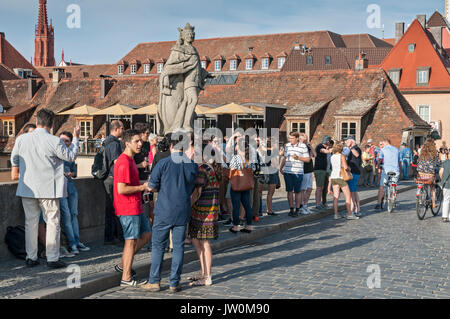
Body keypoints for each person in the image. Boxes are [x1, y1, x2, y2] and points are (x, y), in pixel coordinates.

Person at [11, 109, 80, 268]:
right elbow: (70, 156)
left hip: (27, 187)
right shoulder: (54, 140)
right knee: (53, 222)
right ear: (52, 123)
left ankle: (31, 257)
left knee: (30, 223)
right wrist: (75, 139)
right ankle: (52, 258)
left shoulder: (22, 139)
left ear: (37, 122)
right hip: (49, 188)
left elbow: (14, 160)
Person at [141, 133, 198, 293]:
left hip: (164, 209)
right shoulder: (191, 165)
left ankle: (154, 281)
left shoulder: (163, 163)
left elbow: (151, 186)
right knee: (179, 247)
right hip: (183, 209)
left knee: (158, 246)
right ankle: (174, 282)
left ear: (171, 146)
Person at [113, 129, 152, 286]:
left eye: (140, 141)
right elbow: (121, 189)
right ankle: (126, 277)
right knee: (130, 241)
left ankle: (123, 265)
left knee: (147, 234)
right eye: (136, 141)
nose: (140, 143)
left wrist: (143, 186)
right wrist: (142, 187)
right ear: (127, 143)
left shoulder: (130, 160)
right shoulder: (123, 162)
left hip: (136, 206)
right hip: (127, 208)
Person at [188, 145, 220, 287]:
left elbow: (197, 193)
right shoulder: (210, 167)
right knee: (197, 241)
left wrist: (187, 206)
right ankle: (203, 272)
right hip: (206, 211)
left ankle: (207, 276)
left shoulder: (202, 169)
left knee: (204, 243)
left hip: (204, 212)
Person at [59, 131, 90, 255]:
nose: (63, 143)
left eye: (66, 141)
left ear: (70, 143)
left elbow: (75, 172)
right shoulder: (57, 153)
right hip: (60, 188)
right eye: (62, 140)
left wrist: (71, 174)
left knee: (73, 215)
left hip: (70, 186)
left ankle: (77, 241)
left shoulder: (70, 155)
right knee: (66, 216)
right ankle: (72, 243)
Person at [227, 134, 255, 234]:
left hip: (237, 183)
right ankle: (249, 226)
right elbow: (254, 169)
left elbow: (232, 169)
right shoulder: (249, 157)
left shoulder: (236, 158)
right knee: (247, 205)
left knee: (236, 206)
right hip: (246, 184)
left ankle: (235, 226)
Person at [103, 120, 125, 245]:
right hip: (112, 179)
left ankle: (110, 237)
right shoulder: (115, 144)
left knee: (110, 209)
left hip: (107, 178)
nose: (123, 130)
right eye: (122, 128)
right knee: (115, 209)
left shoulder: (106, 142)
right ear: (116, 129)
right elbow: (117, 162)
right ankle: (115, 237)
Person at [279, 131, 311, 217]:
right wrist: (281, 167)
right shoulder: (288, 146)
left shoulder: (303, 146)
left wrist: (298, 158)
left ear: (297, 138)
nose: (290, 140)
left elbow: (308, 159)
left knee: (297, 191)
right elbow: (285, 158)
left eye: (292, 138)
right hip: (288, 171)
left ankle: (297, 209)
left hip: (298, 172)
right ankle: (291, 209)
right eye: (289, 138)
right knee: (289, 191)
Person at [327, 143, 358, 220]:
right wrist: (349, 169)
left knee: (336, 197)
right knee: (348, 196)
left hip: (334, 177)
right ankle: (349, 214)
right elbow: (345, 167)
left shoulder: (332, 156)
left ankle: (336, 214)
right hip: (340, 177)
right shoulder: (341, 156)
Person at [375, 138, 400, 210]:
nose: (382, 145)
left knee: (382, 186)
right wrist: (399, 169)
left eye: (382, 144)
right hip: (395, 170)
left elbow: (379, 159)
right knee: (394, 184)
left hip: (386, 170)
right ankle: (394, 198)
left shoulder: (383, 150)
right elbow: (399, 161)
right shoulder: (396, 149)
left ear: (385, 143)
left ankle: (379, 203)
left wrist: (378, 166)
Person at [417, 139, 441, 209]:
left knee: (423, 182)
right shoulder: (434, 154)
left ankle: (422, 194)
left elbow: (418, 161)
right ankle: (433, 203)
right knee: (432, 187)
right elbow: (438, 163)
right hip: (430, 174)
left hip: (421, 173)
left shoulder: (421, 154)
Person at [314, 136, 333, 211]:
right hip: (320, 170)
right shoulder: (319, 146)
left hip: (325, 170)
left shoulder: (326, 147)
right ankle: (317, 204)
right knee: (319, 187)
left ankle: (322, 203)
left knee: (324, 188)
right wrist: (336, 148)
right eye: (329, 141)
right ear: (327, 142)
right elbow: (324, 151)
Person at [344, 136, 362, 217]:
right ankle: (357, 209)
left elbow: (357, 155)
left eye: (347, 141)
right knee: (354, 191)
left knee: (351, 192)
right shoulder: (352, 148)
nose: (345, 143)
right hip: (354, 172)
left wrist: (350, 148)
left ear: (351, 141)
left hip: (354, 172)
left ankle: (352, 210)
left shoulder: (356, 148)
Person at [263, 137, 280, 216]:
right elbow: (275, 164)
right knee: (270, 193)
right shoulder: (272, 152)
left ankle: (267, 209)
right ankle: (269, 210)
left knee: (266, 193)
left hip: (266, 172)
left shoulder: (265, 151)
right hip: (272, 173)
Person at [300, 136, 316, 214]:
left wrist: (311, 146)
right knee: (303, 189)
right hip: (304, 170)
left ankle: (305, 205)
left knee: (309, 189)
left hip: (310, 170)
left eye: (307, 139)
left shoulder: (307, 147)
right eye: (305, 139)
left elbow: (315, 155)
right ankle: (301, 206)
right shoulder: (300, 148)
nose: (306, 140)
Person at [439, 157, 450, 222]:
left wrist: (443, 180)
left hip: (446, 184)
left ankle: (444, 216)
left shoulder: (445, 162)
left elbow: (440, 172)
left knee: (446, 200)